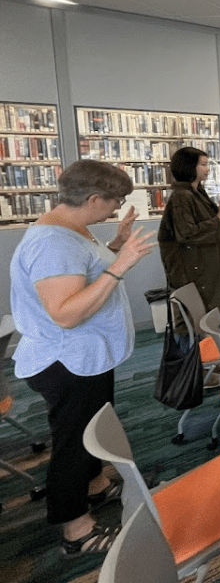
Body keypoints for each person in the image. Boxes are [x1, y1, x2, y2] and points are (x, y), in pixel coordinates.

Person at [9, 160, 155, 556]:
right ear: (92, 199)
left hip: (85, 357)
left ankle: (95, 486)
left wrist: (114, 247)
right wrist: (120, 265)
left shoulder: (69, 228)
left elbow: (83, 273)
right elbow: (66, 313)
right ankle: (77, 530)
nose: (117, 207)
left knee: (92, 430)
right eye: (115, 200)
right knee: (74, 443)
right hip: (67, 361)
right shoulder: (52, 243)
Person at [158, 146, 220, 319]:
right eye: (203, 164)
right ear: (189, 167)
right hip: (197, 273)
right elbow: (187, 233)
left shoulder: (196, 192)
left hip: (208, 270)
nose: (207, 169)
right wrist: (218, 218)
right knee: (200, 319)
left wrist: (218, 213)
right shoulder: (182, 196)